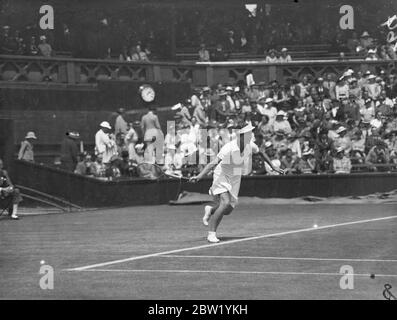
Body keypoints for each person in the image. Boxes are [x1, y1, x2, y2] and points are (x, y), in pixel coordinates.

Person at [189, 123, 284, 243]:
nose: (251, 135)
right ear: (241, 136)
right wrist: (199, 176)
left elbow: (261, 152)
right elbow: (213, 163)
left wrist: (273, 166)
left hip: (235, 177)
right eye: (248, 133)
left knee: (228, 210)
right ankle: (211, 234)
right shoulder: (229, 147)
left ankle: (211, 210)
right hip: (222, 175)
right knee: (225, 202)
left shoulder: (250, 145)